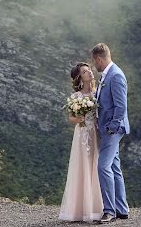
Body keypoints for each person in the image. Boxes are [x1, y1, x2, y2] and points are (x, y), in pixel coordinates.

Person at [59, 62, 103, 223]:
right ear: (80, 77)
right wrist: (81, 118)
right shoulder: (76, 97)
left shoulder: (97, 92)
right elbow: (71, 118)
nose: (90, 72)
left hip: (96, 133)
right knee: (82, 168)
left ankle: (98, 208)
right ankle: (80, 210)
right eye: (85, 72)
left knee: (96, 167)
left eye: (89, 70)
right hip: (82, 134)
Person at [91, 43, 130, 224]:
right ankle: (122, 209)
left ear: (99, 59)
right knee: (114, 167)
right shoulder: (107, 75)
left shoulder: (115, 76)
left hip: (112, 129)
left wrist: (111, 128)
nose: (94, 65)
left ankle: (109, 211)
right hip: (107, 128)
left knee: (103, 167)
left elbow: (121, 106)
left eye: (94, 61)